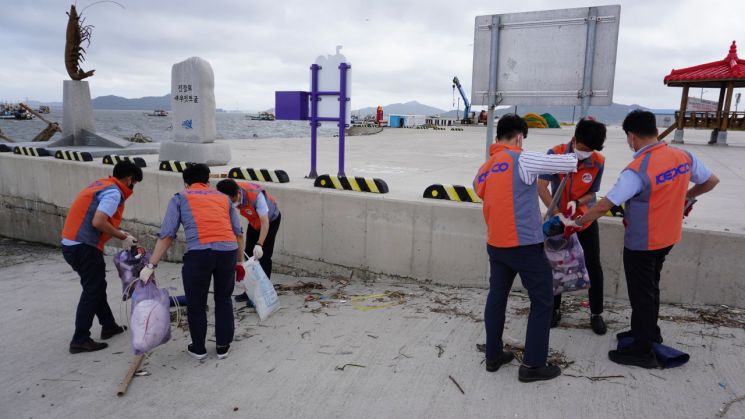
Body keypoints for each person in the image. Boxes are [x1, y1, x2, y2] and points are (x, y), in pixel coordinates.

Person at [563, 110, 719, 368]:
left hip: (643, 242)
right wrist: (686, 198)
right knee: (651, 287)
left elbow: (604, 206)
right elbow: (711, 181)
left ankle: (642, 350)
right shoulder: (683, 156)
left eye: (627, 138)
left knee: (642, 295)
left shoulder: (637, 170)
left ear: (632, 137)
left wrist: (578, 221)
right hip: (668, 237)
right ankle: (647, 332)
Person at [474, 114, 578, 382]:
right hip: (524, 247)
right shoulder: (523, 158)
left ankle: (493, 355)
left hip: (496, 244)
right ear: (519, 136)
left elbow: (480, 190)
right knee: (543, 301)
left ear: (499, 136)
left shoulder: (485, 167)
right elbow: (569, 162)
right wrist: (572, 146)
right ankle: (533, 365)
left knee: (496, 298)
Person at [140, 164, 244, 360]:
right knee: (223, 299)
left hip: (199, 255)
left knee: (196, 302)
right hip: (227, 253)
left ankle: (199, 348)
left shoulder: (180, 197)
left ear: (186, 183)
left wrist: (151, 265)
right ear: (208, 182)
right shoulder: (224, 199)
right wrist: (240, 262)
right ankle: (222, 346)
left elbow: (167, 235)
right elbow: (238, 234)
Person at [61, 161, 142, 353]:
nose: (133, 187)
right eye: (135, 182)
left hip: (71, 243)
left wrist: (119, 233)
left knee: (96, 286)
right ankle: (80, 339)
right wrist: (122, 236)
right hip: (83, 247)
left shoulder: (101, 184)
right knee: (92, 290)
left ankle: (108, 325)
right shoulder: (114, 193)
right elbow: (98, 221)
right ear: (129, 178)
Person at [537, 118, 608, 334]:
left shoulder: (598, 160)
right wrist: (558, 214)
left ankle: (596, 313)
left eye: (592, 150)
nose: (587, 153)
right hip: (559, 222)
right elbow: (541, 187)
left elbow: (593, 192)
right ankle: (554, 309)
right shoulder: (556, 153)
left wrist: (578, 203)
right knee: (555, 265)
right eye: (584, 149)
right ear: (575, 139)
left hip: (583, 221)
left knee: (593, 266)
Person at [215, 179, 281, 303]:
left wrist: (260, 244)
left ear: (238, 194)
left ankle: (263, 295)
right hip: (254, 222)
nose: (232, 204)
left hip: (270, 220)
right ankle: (249, 292)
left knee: (264, 256)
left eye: (233, 201)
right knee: (249, 254)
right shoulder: (228, 192)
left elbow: (265, 222)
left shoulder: (256, 196)